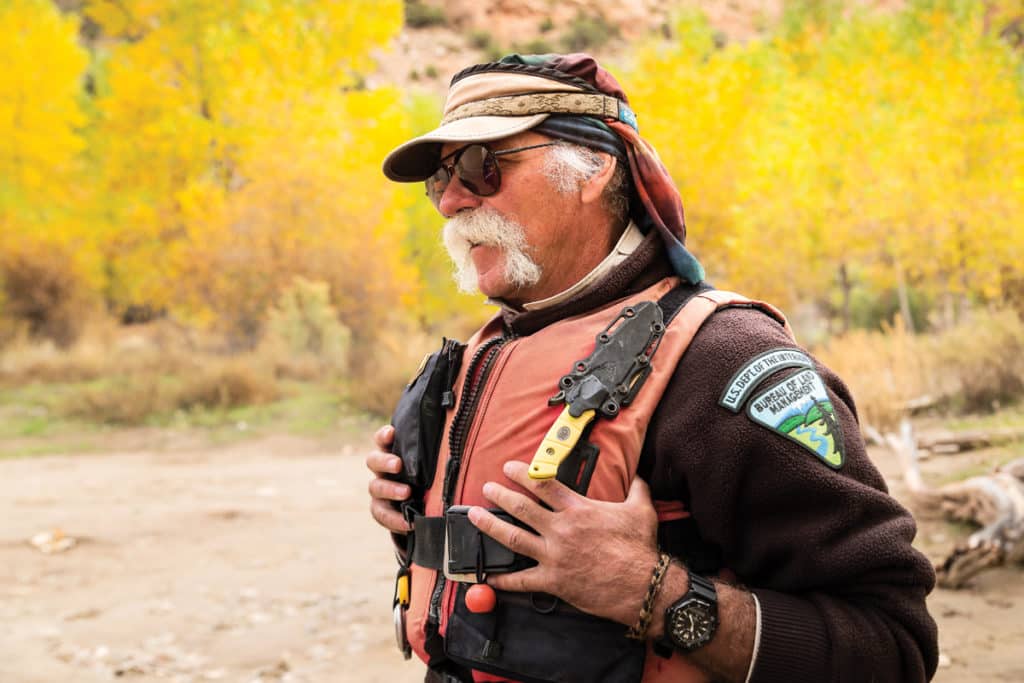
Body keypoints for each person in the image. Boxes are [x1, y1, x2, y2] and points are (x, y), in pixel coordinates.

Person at [367, 53, 938, 683]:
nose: (449, 202)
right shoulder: (483, 354)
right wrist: (416, 521)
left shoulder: (727, 359)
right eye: (440, 180)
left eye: (481, 167)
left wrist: (652, 591)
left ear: (594, 169)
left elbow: (893, 645)